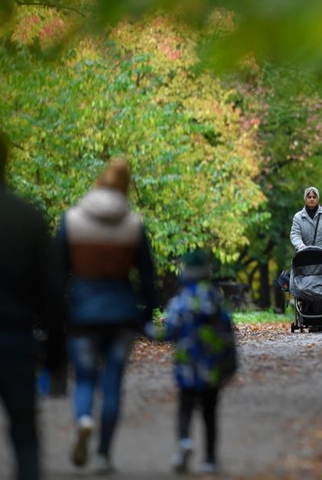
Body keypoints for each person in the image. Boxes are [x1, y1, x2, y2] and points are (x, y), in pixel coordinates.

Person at [56, 157, 157, 474]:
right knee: (112, 384)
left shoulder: (71, 220)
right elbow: (148, 277)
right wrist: (146, 314)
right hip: (121, 316)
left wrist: (57, 313)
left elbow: (57, 274)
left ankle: (84, 419)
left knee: (85, 378)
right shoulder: (134, 224)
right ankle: (103, 456)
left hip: (82, 315)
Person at [0, 130, 67, 480]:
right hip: (14, 340)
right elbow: (52, 295)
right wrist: (55, 356)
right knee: (25, 434)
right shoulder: (28, 218)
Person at [145, 250, 237, 475]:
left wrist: (146, 329)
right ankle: (210, 459)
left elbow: (168, 332)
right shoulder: (216, 301)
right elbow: (228, 336)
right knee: (209, 413)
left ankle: (184, 441)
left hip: (187, 367)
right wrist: (230, 365)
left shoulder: (180, 302)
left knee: (185, 408)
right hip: (212, 368)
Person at [290, 186, 322, 252]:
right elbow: (295, 234)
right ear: (305, 199)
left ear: (318, 199)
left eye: (314, 197)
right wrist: (301, 246)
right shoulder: (298, 217)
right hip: (304, 256)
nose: (312, 199)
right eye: (309, 197)